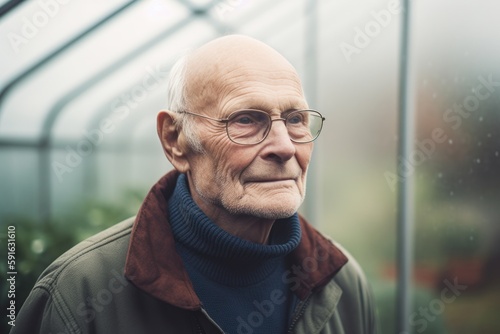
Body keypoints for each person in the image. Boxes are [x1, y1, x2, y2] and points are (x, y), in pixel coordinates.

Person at [12, 35, 377, 334]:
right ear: (175, 140)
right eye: (246, 119)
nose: (284, 146)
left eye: (295, 119)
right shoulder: (80, 292)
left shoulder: (342, 281)